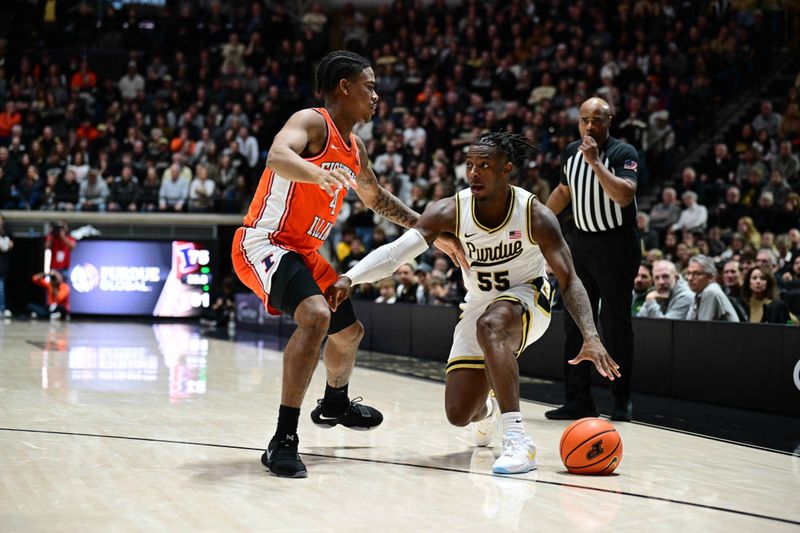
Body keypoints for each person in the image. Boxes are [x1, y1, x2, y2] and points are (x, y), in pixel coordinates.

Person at [230, 51, 465, 479]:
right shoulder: (312, 121)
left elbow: (377, 200)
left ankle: (335, 402)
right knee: (317, 316)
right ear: (345, 87)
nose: (376, 95)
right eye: (370, 86)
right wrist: (313, 173)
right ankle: (283, 438)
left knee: (349, 331)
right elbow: (277, 156)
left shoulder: (355, 149)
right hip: (263, 242)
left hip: (302, 252)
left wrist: (432, 234)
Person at [326, 132, 619, 475]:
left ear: (507, 169)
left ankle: (518, 439)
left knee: (491, 325)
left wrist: (591, 334)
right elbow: (397, 252)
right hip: (479, 302)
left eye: (484, 165)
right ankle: (491, 411)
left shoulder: (533, 214)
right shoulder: (451, 209)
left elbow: (569, 279)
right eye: (469, 165)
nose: (474, 173)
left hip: (528, 298)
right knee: (460, 413)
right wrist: (350, 277)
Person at [544, 97, 640, 421]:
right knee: (574, 322)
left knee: (615, 324)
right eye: (584, 120)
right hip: (580, 243)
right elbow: (563, 192)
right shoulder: (570, 152)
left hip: (617, 245)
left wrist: (596, 163)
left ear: (608, 121)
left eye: (596, 121)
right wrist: (536, 219)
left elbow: (624, 195)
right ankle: (578, 400)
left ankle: (621, 398)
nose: (589, 127)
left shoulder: (624, 153)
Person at [685, 255, 740, 322]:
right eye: (688, 273)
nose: (690, 278)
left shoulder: (711, 291)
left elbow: (702, 328)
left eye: (696, 274)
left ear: (710, 277)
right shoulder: (699, 292)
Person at [0, 213, 13, 318]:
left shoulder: (7, 232)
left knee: (1, 289)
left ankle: (2, 309)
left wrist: (6, 244)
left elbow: (7, 247)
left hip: (2, 266)